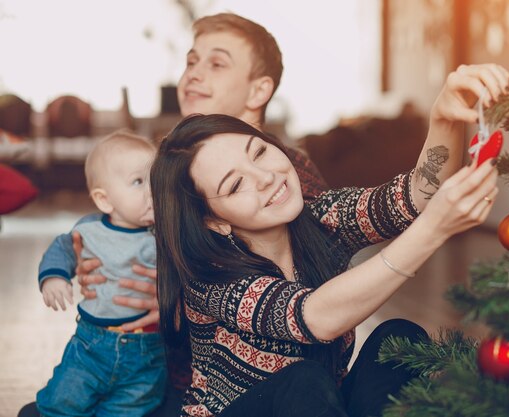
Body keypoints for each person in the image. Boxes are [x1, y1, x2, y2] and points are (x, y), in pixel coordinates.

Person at [150, 51, 509, 416]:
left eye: (258, 152)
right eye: (236, 183)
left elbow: (416, 195)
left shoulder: (321, 218)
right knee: (303, 378)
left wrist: (444, 116)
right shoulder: (209, 274)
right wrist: (434, 229)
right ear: (214, 221)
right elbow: (315, 318)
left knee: (397, 338)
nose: (265, 176)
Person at [18, 13, 329, 417]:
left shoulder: (287, 178)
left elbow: (308, 294)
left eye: (216, 64)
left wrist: (172, 301)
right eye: (191, 61)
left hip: (251, 387)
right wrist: (100, 255)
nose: (194, 75)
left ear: (259, 90)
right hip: (166, 372)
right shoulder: (172, 168)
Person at [34, 131, 167, 416]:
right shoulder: (90, 231)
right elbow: (62, 249)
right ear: (105, 201)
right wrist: (55, 277)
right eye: (138, 181)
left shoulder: (164, 234)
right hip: (92, 344)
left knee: (130, 407)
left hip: (148, 350)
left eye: (156, 180)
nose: (152, 191)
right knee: (61, 402)